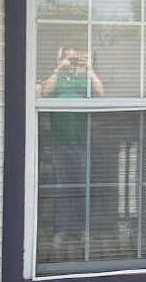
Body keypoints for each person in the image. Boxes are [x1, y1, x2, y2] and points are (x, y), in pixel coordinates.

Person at [38, 48, 102, 259]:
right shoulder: (58, 79)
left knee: (82, 187)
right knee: (63, 187)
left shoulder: (84, 80)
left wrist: (89, 69)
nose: (73, 62)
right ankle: (62, 231)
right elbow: (45, 93)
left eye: (76, 59)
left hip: (82, 142)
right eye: (70, 58)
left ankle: (82, 231)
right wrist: (58, 70)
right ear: (60, 59)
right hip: (59, 142)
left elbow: (100, 94)